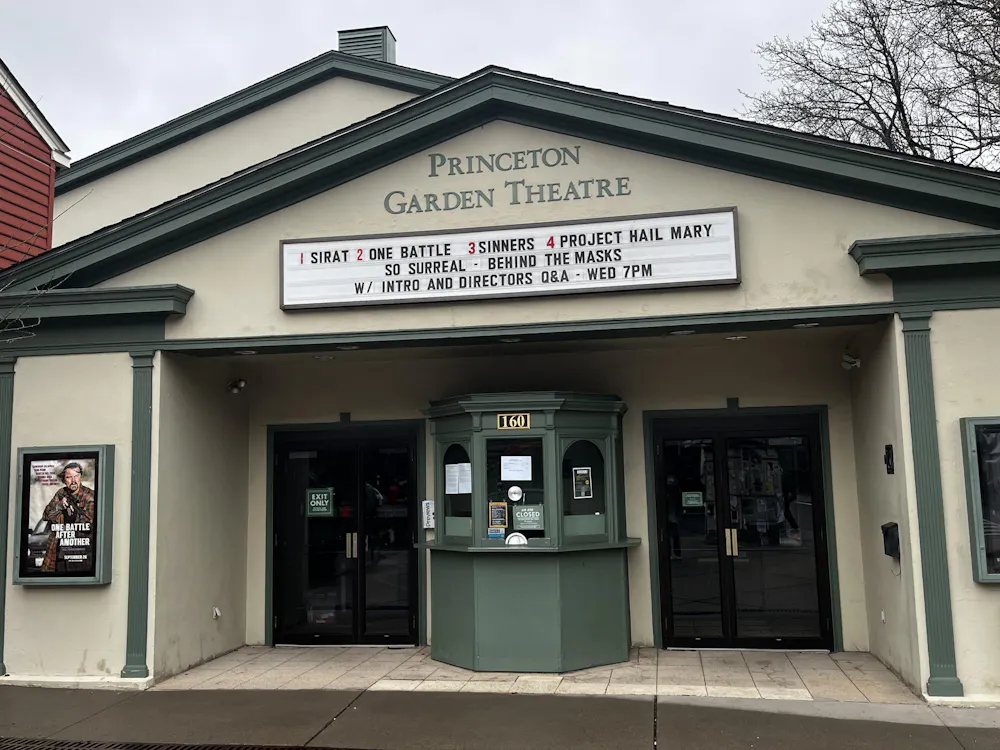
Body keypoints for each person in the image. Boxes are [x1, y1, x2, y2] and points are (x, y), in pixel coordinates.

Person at [40, 462, 95, 573]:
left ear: (81, 476)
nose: (73, 480)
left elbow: (90, 523)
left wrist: (75, 514)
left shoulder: (89, 496)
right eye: (69, 477)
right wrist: (58, 506)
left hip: (80, 554)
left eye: (76, 476)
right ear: (64, 480)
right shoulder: (61, 493)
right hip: (57, 552)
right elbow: (46, 515)